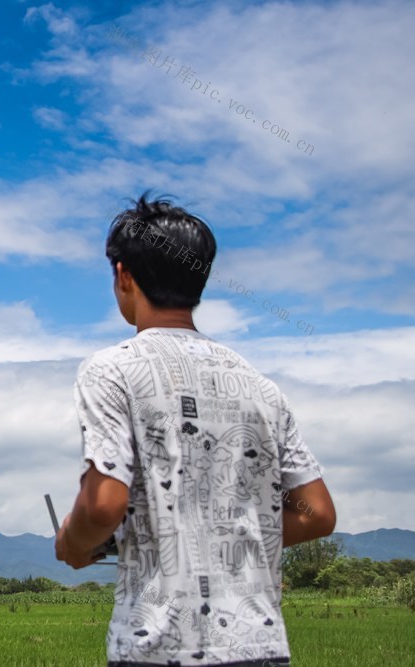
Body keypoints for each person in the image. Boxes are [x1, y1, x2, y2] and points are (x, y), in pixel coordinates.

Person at [55, 194, 336, 667]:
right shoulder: (259, 385)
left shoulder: (111, 371)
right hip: (261, 648)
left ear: (123, 276)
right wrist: (222, 540)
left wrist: (74, 542)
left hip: (157, 648)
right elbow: (317, 515)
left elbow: (104, 503)